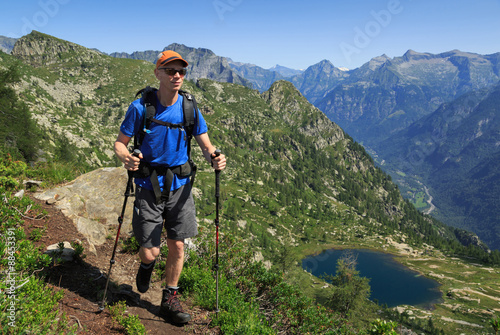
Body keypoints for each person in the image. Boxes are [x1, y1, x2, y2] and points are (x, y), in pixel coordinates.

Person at [114, 50, 226, 324]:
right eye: (170, 71)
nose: (177, 76)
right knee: (150, 250)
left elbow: (204, 140)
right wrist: (126, 158)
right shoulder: (141, 108)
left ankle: (169, 299)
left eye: (181, 71)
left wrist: (214, 156)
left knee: (178, 245)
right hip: (148, 184)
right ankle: (146, 264)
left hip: (180, 185)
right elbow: (120, 142)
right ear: (158, 73)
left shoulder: (189, 107)